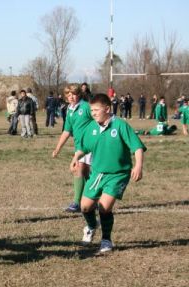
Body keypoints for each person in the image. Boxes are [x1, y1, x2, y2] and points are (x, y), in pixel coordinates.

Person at [72, 93, 146, 255]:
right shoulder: (91, 127)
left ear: (107, 108)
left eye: (96, 110)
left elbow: (137, 147)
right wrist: (76, 157)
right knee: (85, 207)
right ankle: (91, 227)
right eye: (91, 110)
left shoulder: (120, 125)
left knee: (104, 207)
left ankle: (106, 239)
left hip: (118, 174)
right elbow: (84, 147)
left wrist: (138, 166)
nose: (93, 113)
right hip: (98, 173)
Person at [52, 84, 94, 212]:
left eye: (74, 94)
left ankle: (84, 201)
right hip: (79, 146)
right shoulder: (69, 110)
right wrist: (57, 149)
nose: (71, 97)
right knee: (81, 171)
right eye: (69, 95)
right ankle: (81, 202)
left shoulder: (86, 107)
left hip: (90, 145)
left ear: (79, 95)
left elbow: (98, 120)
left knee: (86, 172)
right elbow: (67, 131)